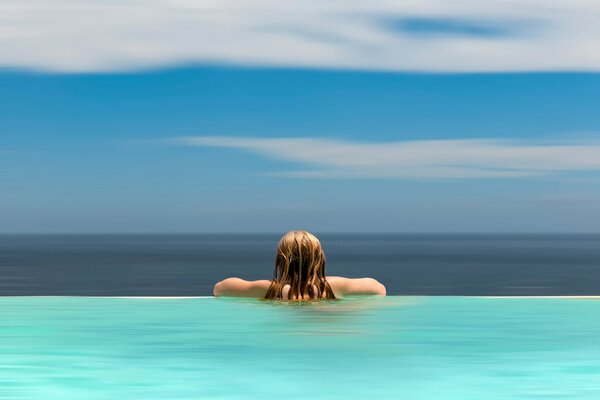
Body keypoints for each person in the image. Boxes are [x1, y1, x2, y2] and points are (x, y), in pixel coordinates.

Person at [213, 230, 386, 299]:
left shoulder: (268, 289)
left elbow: (219, 289)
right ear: (319, 259)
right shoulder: (332, 287)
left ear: (280, 260)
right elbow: (379, 289)